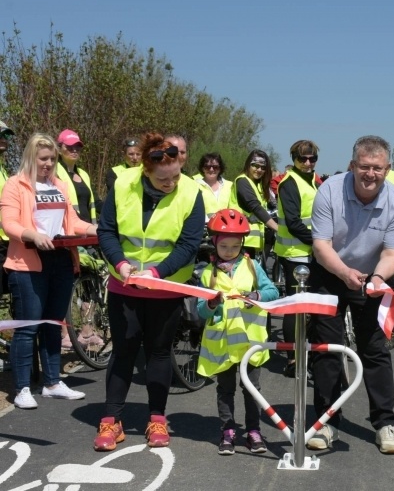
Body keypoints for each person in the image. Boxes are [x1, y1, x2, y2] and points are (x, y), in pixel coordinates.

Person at [95, 133, 204, 451]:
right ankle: (110, 421)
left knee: (158, 353)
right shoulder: (122, 183)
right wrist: (121, 264)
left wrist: (156, 273)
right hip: (125, 284)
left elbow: (189, 243)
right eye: (163, 179)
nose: (171, 183)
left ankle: (156, 417)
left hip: (165, 288)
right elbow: (107, 230)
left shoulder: (191, 191)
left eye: (175, 175)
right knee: (124, 352)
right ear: (145, 170)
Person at [306, 135, 394, 454]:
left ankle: (385, 422)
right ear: (352, 166)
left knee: (375, 348)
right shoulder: (329, 191)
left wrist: (377, 278)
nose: (370, 174)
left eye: (378, 168)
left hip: (373, 274)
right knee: (327, 349)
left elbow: (392, 254)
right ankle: (325, 422)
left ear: (388, 169)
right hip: (330, 270)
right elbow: (321, 245)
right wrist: (344, 273)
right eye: (364, 166)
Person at [1, 133, 98, 409]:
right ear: (31, 157)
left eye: (52, 159)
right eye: (44, 159)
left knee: (54, 323)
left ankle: (52, 382)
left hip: (60, 260)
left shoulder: (58, 184)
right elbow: (8, 223)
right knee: (28, 326)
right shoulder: (14, 184)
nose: (48, 164)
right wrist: (32, 234)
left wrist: (94, 229)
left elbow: (73, 221)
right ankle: (21, 388)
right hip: (28, 263)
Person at [197, 208, 279, 455]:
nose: (229, 251)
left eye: (235, 246)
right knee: (225, 389)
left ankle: (253, 431)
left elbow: (272, 292)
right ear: (214, 244)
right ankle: (228, 431)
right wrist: (211, 304)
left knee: (251, 388)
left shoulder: (252, 266)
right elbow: (201, 310)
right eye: (224, 247)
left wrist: (255, 296)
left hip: (249, 342)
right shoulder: (208, 274)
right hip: (222, 344)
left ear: (242, 244)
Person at [275, 140, 319, 377]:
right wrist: (319, 240)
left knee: (306, 305)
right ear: (293, 159)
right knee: (294, 306)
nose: (308, 162)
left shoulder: (311, 180)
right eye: (303, 158)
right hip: (294, 254)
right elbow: (293, 223)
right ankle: (292, 360)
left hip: (308, 251)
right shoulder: (289, 184)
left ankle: (305, 350)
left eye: (312, 158)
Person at [55, 129, 99, 348]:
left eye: (77, 147)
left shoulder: (83, 173)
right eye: (69, 147)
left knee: (89, 282)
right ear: (59, 148)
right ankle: (65, 334)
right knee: (68, 284)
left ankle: (88, 330)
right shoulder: (55, 171)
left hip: (87, 233)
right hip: (67, 234)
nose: (74, 150)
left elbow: (91, 203)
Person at [228, 150, 278, 260]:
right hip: (242, 240)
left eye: (263, 167)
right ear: (248, 165)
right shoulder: (242, 181)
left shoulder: (259, 185)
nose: (259, 170)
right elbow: (255, 207)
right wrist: (277, 228)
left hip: (254, 241)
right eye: (255, 165)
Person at [0, 121, 15, 295]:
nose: (3, 139)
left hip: (6, 239)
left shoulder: (3, 169)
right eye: (0, 135)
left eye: (6, 135)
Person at [196, 152, 232, 221]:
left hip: (226, 227)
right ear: (202, 168)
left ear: (220, 169)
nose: (211, 169)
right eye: (207, 167)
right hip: (203, 227)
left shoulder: (230, 185)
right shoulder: (195, 185)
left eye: (215, 167)